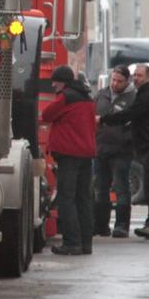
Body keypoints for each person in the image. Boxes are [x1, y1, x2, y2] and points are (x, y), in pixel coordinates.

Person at [100, 63, 149, 241]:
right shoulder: (148, 93)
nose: (136, 78)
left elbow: (129, 114)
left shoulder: (148, 96)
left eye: (139, 75)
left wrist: (103, 119)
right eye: (135, 75)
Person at [41, 65, 97, 255]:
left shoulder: (66, 97)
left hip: (69, 154)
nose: (53, 85)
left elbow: (46, 114)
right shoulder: (87, 98)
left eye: (55, 82)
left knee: (67, 198)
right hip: (86, 153)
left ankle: (72, 243)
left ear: (62, 82)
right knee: (83, 199)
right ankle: (86, 243)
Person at [93, 65, 137, 238]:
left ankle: (122, 225)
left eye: (119, 81)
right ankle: (101, 225)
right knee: (100, 189)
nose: (115, 84)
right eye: (113, 80)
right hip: (101, 148)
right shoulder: (102, 94)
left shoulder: (133, 98)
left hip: (121, 150)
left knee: (121, 188)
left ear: (127, 81)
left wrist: (127, 139)